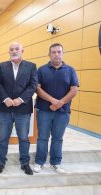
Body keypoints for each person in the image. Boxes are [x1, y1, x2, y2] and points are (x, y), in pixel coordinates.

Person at [33, 43, 79, 174]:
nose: (56, 54)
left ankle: (56, 163)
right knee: (42, 137)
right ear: (49, 54)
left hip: (63, 112)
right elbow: (37, 88)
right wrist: (53, 100)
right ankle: (39, 162)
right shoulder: (41, 70)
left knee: (58, 138)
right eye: (53, 52)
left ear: (62, 53)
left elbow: (74, 90)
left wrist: (60, 103)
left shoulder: (70, 70)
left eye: (59, 52)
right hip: (44, 111)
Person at [0, 41, 37, 175]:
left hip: (23, 109)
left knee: (23, 138)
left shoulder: (31, 66)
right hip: (5, 108)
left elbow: (33, 85)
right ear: (9, 52)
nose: (14, 51)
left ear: (22, 51)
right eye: (11, 49)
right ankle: (1, 161)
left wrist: (20, 99)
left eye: (16, 49)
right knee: (3, 137)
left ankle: (25, 163)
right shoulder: (1, 66)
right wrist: (6, 99)